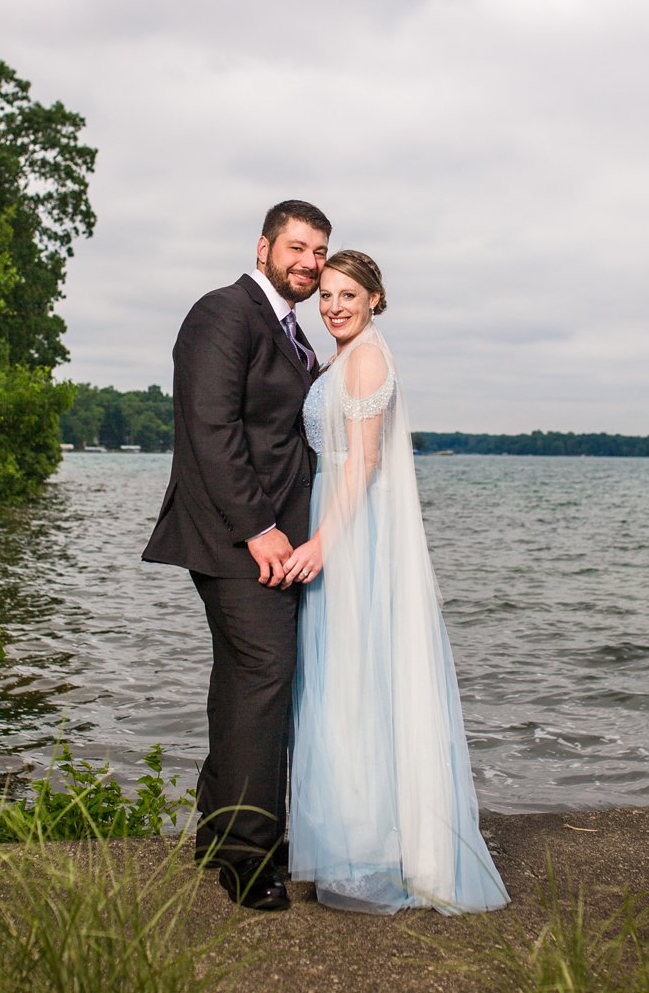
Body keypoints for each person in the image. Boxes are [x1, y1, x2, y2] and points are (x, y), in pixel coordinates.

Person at [282, 251, 509, 914]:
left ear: (376, 297)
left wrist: (323, 542)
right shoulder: (348, 356)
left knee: (355, 682)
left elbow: (366, 461)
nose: (334, 306)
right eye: (325, 295)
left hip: (353, 534)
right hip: (342, 522)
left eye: (348, 294)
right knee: (346, 683)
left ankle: (371, 849)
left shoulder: (369, 357)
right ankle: (357, 840)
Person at [142, 199, 331, 911]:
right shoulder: (222, 313)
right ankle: (251, 863)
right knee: (266, 676)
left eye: (319, 251)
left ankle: (218, 834)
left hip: (272, 540)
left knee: (243, 680)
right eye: (298, 247)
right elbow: (211, 427)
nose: (309, 262)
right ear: (263, 247)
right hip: (236, 540)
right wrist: (258, 528)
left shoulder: (292, 332)